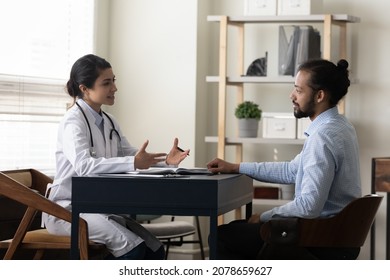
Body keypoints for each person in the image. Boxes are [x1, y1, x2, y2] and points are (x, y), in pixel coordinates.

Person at [207, 59, 362, 259]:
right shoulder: (341, 126)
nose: (292, 96)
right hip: (338, 236)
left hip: (320, 238)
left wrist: (263, 217)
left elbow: (308, 206)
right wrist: (237, 167)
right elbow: (291, 170)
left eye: (298, 90)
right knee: (236, 229)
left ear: (320, 95)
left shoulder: (322, 137)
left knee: (221, 236)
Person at [42, 54, 190, 260]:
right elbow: (84, 166)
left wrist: (165, 160)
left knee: (154, 249)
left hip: (97, 208)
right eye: (106, 83)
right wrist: (133, 162)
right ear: (84, 89)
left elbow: (130, 155)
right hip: (67, 211)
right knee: (134, 249)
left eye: (114, 81)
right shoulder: (72, 122)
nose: (114, 88)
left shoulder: (109, 121)